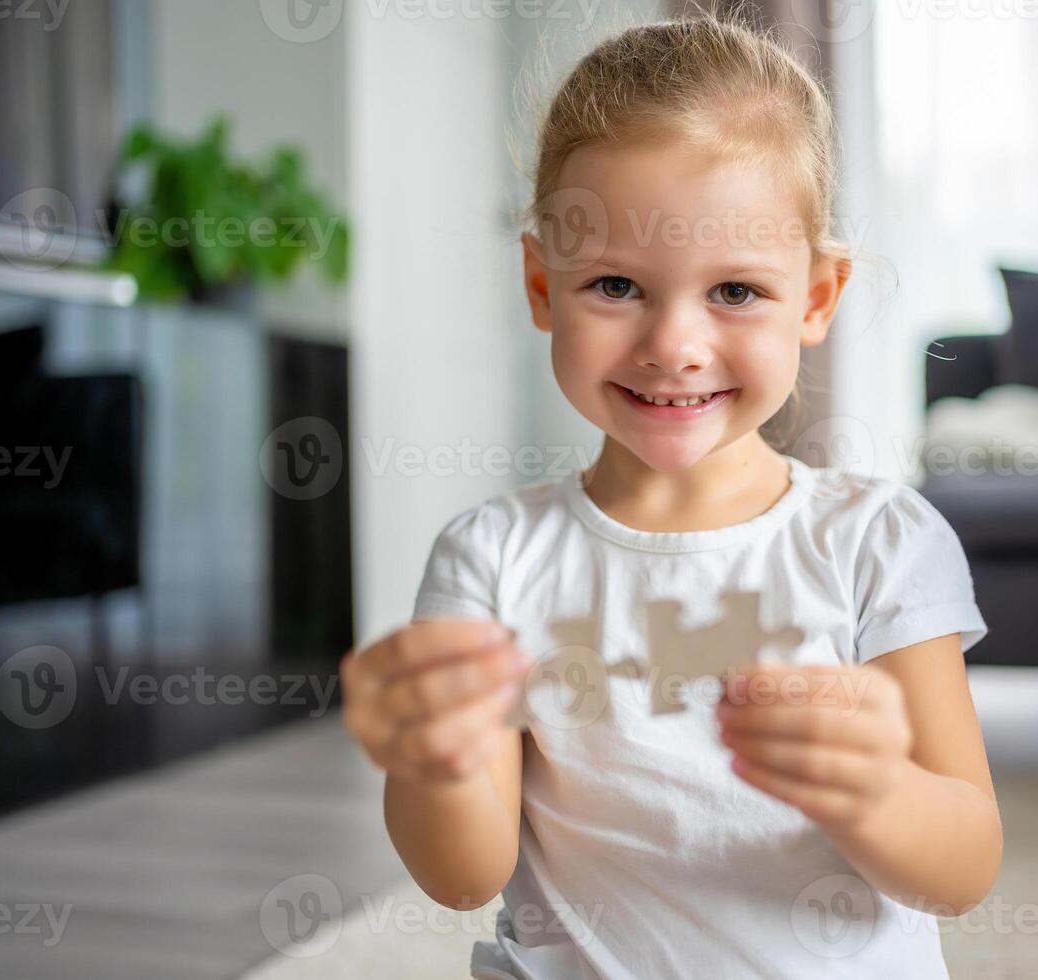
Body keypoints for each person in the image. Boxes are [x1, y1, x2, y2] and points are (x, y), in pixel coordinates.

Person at [342, 12, 1002, 978]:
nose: (673, 345)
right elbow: (464, 874)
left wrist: (876, 793)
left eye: (735, 292)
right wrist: (431, 758)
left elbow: (965, 864)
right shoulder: (490, 557)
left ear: (816, 299)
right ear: (542, 284)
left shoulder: (878, 543)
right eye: (616, 285)